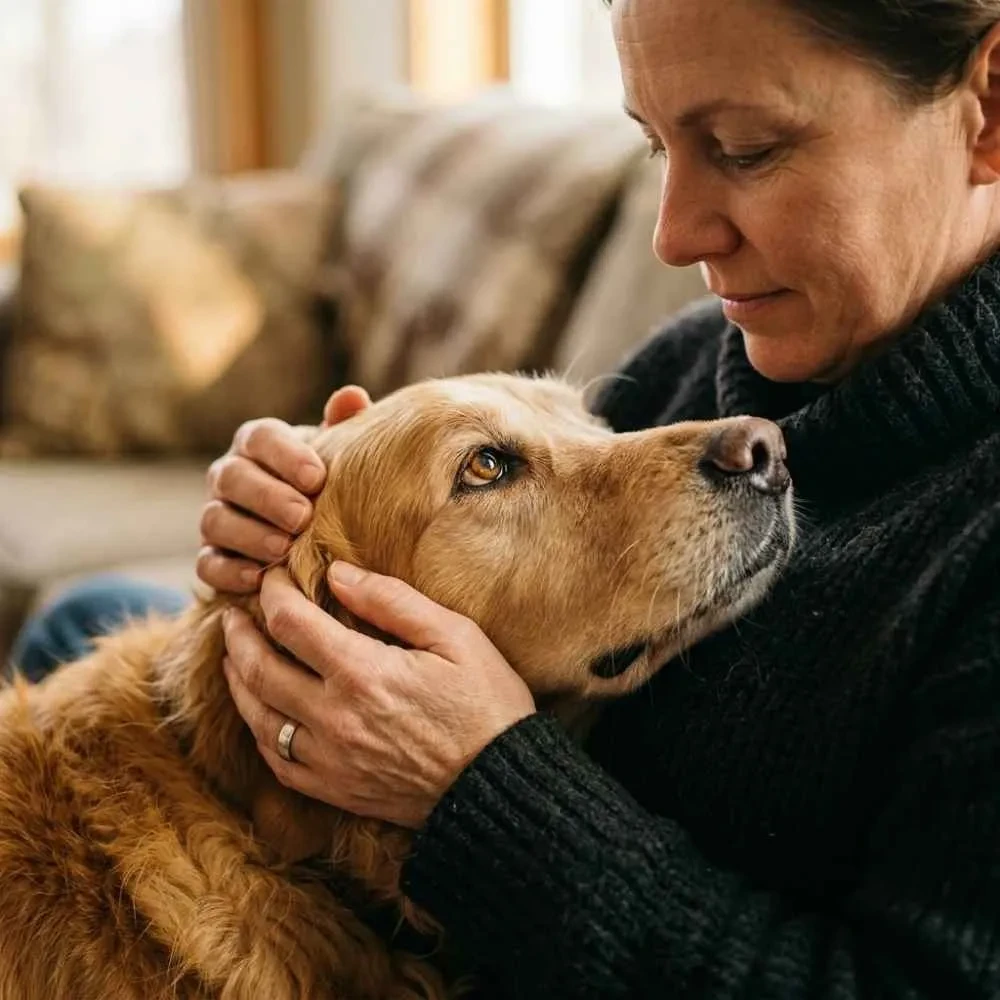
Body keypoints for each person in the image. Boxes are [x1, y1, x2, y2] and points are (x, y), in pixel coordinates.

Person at [13, 0, 1000, 994]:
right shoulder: (703, 359)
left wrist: (479, 793)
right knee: (85, 614)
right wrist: (291, 498)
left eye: (745, 147)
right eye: (657, 148)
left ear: (988, 109)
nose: (671, 236)